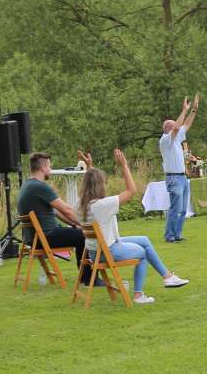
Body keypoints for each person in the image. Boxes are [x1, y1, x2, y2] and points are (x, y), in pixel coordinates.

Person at [79, 149, 188, 303]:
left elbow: (90, 180)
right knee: (142, 252)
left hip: (94, 250)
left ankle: (168, 277)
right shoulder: (102, 205)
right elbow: (131, 190)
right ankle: (138, 295)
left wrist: (90, 167)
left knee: (143, 240)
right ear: (99, 186)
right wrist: (124, 166)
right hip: (107, 251)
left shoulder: (81, 204)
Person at [17, 151, 88, 263]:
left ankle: (86, 277)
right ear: (42, 167)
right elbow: (67, 210)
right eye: (49, 166)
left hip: (33, 239)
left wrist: (75, 224)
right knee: (85, 236)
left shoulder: (27, 185)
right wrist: (86, 225)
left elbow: (57, 212)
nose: (50, 169)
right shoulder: (40, 187)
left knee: (80, 232)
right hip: (47, 236)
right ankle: (89, 278)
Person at [158, 94, 199, 243]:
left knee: (182, 210)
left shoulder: (176, 139)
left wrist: (193, 110)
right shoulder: (165, 140)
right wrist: (184, 110)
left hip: (182, 177)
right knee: (175, 209)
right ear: (168, 129)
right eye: (175, 125)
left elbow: (186, 125)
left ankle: (177, 234)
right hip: (174, 178)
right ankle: (169, 236)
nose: (178, 126)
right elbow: (177, 127)